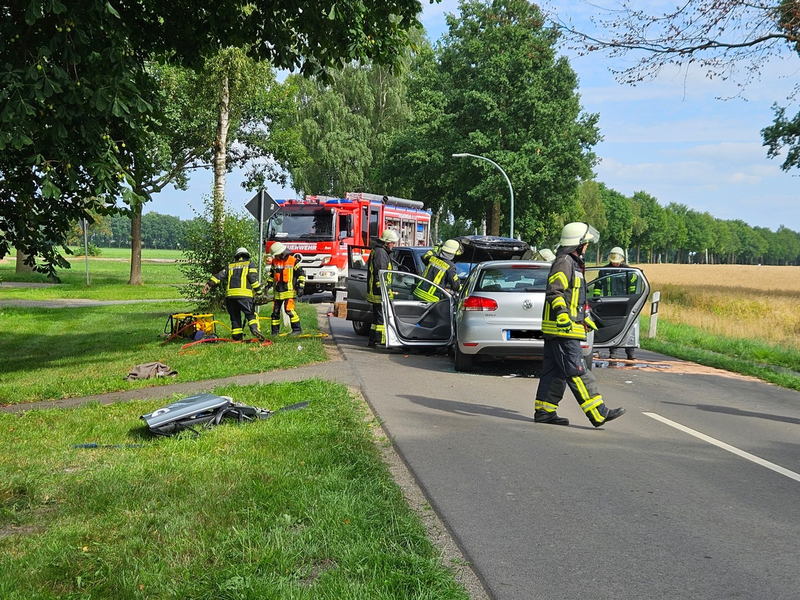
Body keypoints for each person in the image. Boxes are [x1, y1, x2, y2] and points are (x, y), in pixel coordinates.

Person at [534, 223, 626, 427]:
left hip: (563, 329)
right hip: (562, 329)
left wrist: (583, 318)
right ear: (578, 243)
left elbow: (572, 296)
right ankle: (598, 412)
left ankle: (544, 411)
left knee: (555, 372)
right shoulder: (565, 262)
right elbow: (555, 291)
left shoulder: (572, 263)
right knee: (577, 370)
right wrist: (563, 315)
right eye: (585, 243)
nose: (587, 246)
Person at [203, 247, 265, 342]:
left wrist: (209, 284)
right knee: (251, 314)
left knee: (235, 317)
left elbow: (220, 276)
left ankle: (237, 338)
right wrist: (259, 291)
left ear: (236, 256)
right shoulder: (250, 264)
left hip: (230, 296)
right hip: (244, 295)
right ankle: (255, 329)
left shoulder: (230, 266)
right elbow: (252, 278)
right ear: (247, 255)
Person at [598, 246, 638, 360]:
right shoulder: (604, 271)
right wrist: (597, 298)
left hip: (625, 303)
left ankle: (630, 352)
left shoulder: (628, 271)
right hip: (609, 302)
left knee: (628, 326)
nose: (615, 263)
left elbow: (633, 287)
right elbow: (598, 286)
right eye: (613, 261)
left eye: (617, 261)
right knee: (612, 327)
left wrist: (632, 300)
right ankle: (613, 352)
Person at [366, 229, 399, 347]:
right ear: (386, 242)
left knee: (376, 319)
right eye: (392, 243)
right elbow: (381, 274)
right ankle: (381, 341)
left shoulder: (380, 251)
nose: (394, 245)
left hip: (377, 291)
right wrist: (385, 291)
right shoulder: (380, 253)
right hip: (379, 292)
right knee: (381, 319)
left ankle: (373, 340)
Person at [266, 242, 305, 336]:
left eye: (277, 255)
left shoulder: (293, 261)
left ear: (282, 253)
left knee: (289, 310)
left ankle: (297, 329)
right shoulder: (275, 262)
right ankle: (274, 333)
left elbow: (301, 274)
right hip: (278, 292)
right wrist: (268, 284)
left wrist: (301, 287)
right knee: (275, 313)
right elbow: (272, 274)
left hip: (289, 292)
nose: (276, 257)